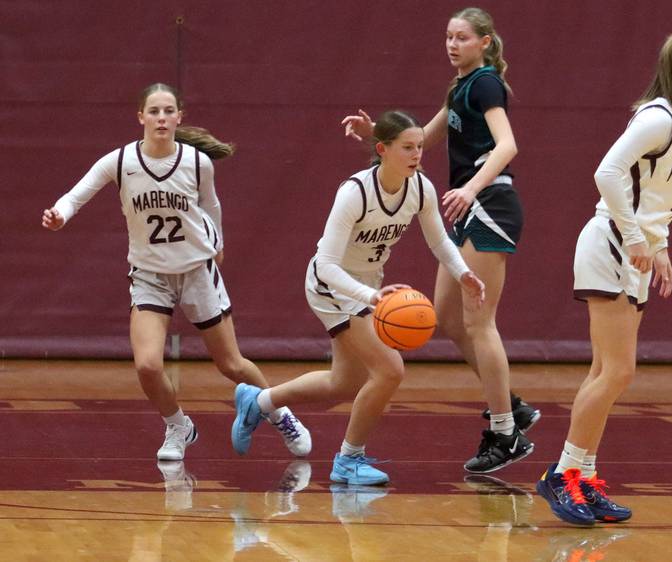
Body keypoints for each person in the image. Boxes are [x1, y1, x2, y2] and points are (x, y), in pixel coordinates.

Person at [41, 83, 311, 462]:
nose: (162, 118)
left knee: (231, 364)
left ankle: (279, 412)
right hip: (150, 274)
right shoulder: (119, 162)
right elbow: (75, 196)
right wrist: (59, 215)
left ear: (179, 117)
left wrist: (217, 244)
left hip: (196, 271)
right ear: (141, 117)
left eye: (169, 111)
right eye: (154, 111)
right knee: (148, 364)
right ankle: (178, 426)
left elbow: (210, 205)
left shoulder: (197, 163)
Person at [231, 110, 486, 486]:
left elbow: (438, 240)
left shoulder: (420, 188)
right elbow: (329, 265)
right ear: (382, 149)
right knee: (389, 369)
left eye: (419, 147)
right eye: (407, 147)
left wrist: (462, 272)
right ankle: (349, 459)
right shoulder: (355, 193)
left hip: (368, 286)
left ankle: (260, 402)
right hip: (330, 286)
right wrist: (371, 296)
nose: (417, 154)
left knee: (345, 383)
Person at [342, 7, 539, 474]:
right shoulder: (461, 86)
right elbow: (424, 139)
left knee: (478, 321)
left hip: (489, 204)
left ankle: (506, 430)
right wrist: (379, 136)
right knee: (447, 317)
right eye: (448, 37)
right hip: (466, 206)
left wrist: (471, 187)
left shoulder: (487, 83)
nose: (452, 44)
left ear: (485, 42)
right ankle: (509, 401)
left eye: (463, 37)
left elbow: (507, 145)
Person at [536, 35, 672, 526]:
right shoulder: (658, 117)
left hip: (631, 250)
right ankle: (563, 474)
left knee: (605, 371)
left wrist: (659, 248)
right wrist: (637, 238)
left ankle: (583, 477)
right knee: (618, 371)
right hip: (611, 244)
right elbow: (608, 172)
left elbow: (650, 196)